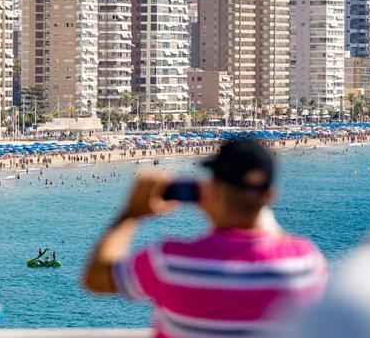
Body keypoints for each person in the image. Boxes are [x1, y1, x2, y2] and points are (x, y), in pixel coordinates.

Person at [84, 139, 326, 337]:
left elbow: (96, 278)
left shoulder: (170, 262)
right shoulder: (304, 264)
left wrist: (131, 212)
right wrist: (262, 217)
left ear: (211, 189)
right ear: (270, 197)